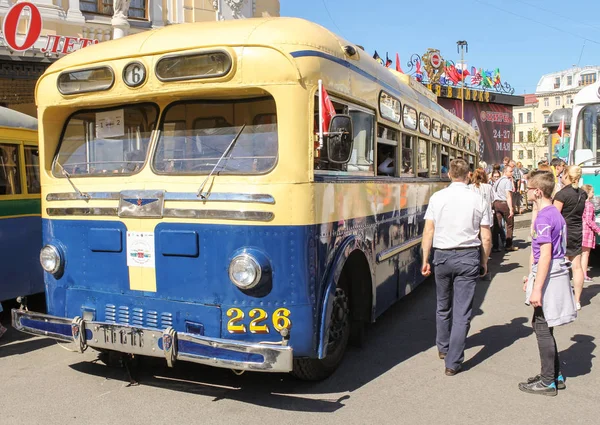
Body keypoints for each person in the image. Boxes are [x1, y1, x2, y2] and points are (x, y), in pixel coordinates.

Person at [421, 159, 491, 376]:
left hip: (441, 256)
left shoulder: (437, 197)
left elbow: (428, 232)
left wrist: (425, 258)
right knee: (462, 311)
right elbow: (486, 236)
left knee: (442, 306)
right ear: (468, 175)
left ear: (449, 175)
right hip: (468, 256)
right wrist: (484, 261)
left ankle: (443, 347)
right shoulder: (478, 198)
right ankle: (453, 362)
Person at [520, 171, 576, 396]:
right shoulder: (554, 213)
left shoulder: (544, 217)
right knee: (544, 325)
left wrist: (536, 287)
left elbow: (545, 255)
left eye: (528, 188)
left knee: (541, 327)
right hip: (554, 272)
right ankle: (554, 375)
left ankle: (547, 382)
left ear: (538, 191)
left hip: (549, 276)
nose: (525, 191)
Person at [553, 165, 587, 310]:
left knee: (560, 265)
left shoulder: (562, 195)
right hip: (577, 230)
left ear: (566, 175)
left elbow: (554, 216)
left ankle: (561, 299)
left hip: (562, 232)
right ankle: (577, 300)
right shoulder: (583, 194)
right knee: (577, 266)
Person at [492, 165, 518, 252]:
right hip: (504, 203)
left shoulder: (497, 181)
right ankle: (508, 245)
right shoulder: (507, 181)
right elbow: (508, 196)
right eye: (510, 171)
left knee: (497, 225)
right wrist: (511, 208)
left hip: (496, 203)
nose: (512, 173)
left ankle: (495, 246)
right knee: (510, 224)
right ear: (505, 172)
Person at [581, 185, 600, 283]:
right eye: (592, 192)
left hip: (579, 230)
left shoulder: (580, 203)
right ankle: (584, 274)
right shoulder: (589, 205)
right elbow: (589, 220)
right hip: (587, 232)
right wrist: (598, 230)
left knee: (579, 255)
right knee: (585, 254)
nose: (593, 194)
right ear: (587, 194)